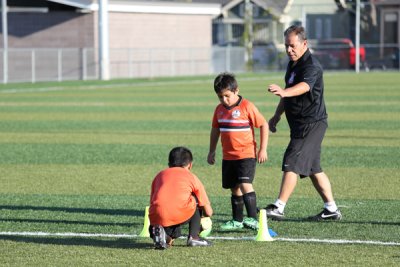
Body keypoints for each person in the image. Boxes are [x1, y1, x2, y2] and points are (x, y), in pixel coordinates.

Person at [265, 25, 342, 221]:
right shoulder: (293, 64)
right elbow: (288, 92)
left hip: (312, 123)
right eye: (286, 46)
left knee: (291, 161)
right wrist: (276, 116)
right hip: (299, 124)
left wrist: (284, 92)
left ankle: (279, 207)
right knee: (314, 169)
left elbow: (303, 87)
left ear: (304, 43)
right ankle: (331, 209)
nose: (289, 50)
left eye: (292, 46)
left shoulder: (311, 66)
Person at [207, 72, 269, 231]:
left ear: (236, 90)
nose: (224, 100)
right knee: (234, 187)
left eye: (227, 96)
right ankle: (237, 220)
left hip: (246, 154)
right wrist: (211, 151)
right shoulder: (219, 110)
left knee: (245, 184)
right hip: (228, 156)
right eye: (220, 97)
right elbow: (215, 130)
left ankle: (253, 219)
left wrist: (262, 149)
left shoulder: (247, 106)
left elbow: (263, 125)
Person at [149, 146, 213, 249]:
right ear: (190, 165)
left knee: (168, 206)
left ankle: (165, 236)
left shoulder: (159, 176)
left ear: (169, 164)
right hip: (180, 214)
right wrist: (203, 219)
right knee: (194, 199)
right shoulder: (191, 177)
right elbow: (209, 211)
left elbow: (153, 201)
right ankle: (194, 237)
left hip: (155, 220)